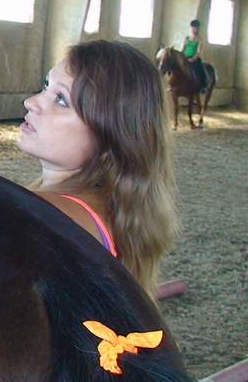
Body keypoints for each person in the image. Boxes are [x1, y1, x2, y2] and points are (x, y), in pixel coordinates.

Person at [18, 40, 176, 296]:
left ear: (107, 139)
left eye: (61, 100)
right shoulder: (108, 212)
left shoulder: (46, 217)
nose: (30, 102)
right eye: (46, 86)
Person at [181, 18, 208, 91]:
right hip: (185, 57)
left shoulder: (199, 39)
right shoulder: (186, 38)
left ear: (198, 29)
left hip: (194, 59)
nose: (193, 29)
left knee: (199, 69)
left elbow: (198, 52)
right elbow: (183, 49)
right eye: (192, 27)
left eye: (195, 28)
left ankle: (203, 86)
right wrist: (182, 57)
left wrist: (192, 59)